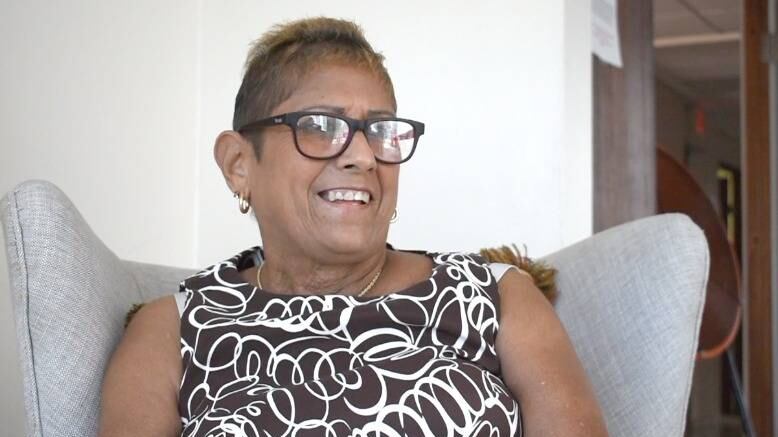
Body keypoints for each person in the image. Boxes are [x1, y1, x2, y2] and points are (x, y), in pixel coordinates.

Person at [99, 17, 608, 437]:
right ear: (238, 164)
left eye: (381, 130)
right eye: (320, 127)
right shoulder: (174, 329)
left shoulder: (495, 297)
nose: (364, 156)